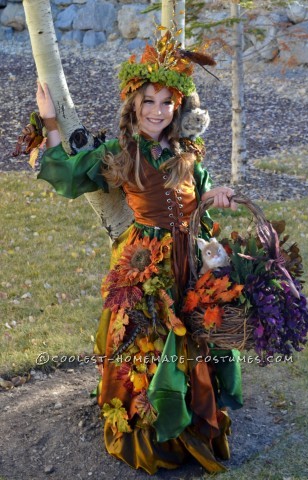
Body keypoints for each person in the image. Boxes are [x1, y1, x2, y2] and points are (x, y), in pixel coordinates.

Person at [36, 31, 243, 474]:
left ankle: (189, 421)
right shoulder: (120, 152)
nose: (155, 110)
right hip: (143, 262)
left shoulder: (188, 152)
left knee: (192, 337)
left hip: (187, 257)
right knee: (144, 341)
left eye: (165, 103)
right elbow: (69, 178)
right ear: (133, 106)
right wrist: (50, 121)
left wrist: (215, 196)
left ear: (178, 109)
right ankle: (148, 432)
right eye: (147, 101)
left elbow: (195, 199)